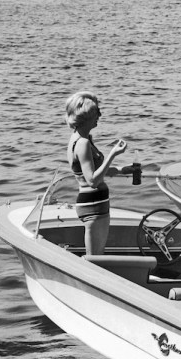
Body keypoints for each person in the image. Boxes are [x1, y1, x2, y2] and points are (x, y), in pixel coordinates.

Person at [65, 91, 127, 255]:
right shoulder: (82, 143)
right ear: (85, 117)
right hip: (93, 207)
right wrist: (113, 154)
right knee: (95, 259)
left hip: (95, 205)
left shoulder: (81, 138)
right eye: (95, 112)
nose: (99, 115)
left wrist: (122, 170)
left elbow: (96, 171)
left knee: (98, 256)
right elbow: (92, 180)